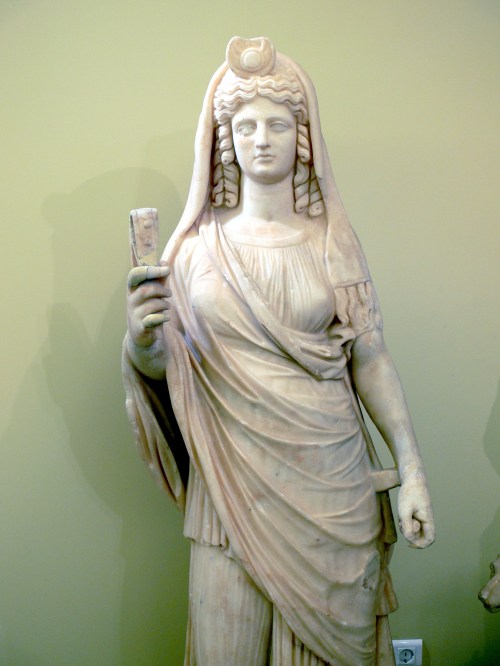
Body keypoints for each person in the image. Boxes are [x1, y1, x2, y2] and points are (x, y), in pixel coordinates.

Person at [123, 36, 435, 666]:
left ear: (303, 137)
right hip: (230, 485)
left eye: (278, 124)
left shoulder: (332, 244)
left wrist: (413, 471)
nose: (261, 139)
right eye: (245, 127)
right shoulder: (194, 251)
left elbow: (370, 356)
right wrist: (142, 340)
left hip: (332, 487)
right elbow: (169, 370)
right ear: (226, 142)